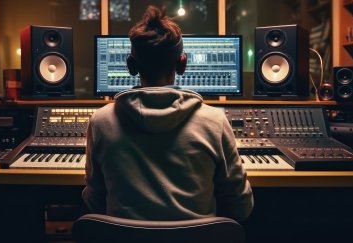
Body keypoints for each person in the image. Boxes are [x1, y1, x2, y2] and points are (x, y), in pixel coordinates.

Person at [82, 5, 253, 224]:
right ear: (182, 64)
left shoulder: (100, 122)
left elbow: (95, 201)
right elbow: (241, 206)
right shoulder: (215, 120)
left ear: (130, 65)